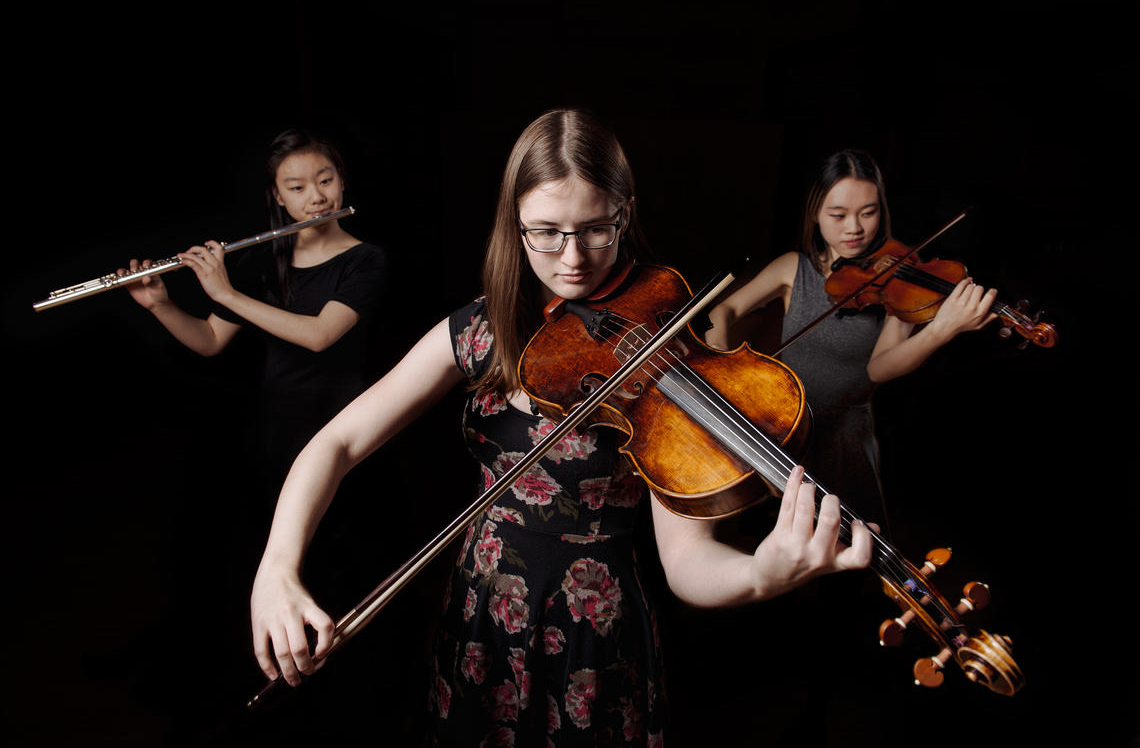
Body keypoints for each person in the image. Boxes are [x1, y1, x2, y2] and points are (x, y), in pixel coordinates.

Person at [248, 109, 874, 746]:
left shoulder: (668, 351)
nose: (572, 260)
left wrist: (763, 572)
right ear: (513, 225)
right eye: (545, 232)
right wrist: (277, 568)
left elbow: (689, 563)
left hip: (593, 633)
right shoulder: (480, 328)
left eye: (596, 230)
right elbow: (337, 441)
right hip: (479, 617)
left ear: (624, 213)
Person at [706, 149, 996, 529]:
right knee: (772, 538)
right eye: (838, 215)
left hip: (845, 438)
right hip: (783, 424)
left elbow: (880, 367)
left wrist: (942, 329)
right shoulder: (795, 268)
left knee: (852, 550)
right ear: (815, 213)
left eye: (868, 212)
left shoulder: (900, 277)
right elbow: (720, 313)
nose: (854, 228)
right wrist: (730, 378)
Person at [122, 128, 389, 517]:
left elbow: (319, 335)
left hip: (346, 423)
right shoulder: (262, 261)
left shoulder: (366, 260)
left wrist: (226, 293)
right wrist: (159, 305)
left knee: (347, 539)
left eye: (326, 180)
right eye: (297, 188)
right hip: (278, 426)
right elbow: (210, 340)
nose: (316, 197)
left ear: (342, 181)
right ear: (279, 196)